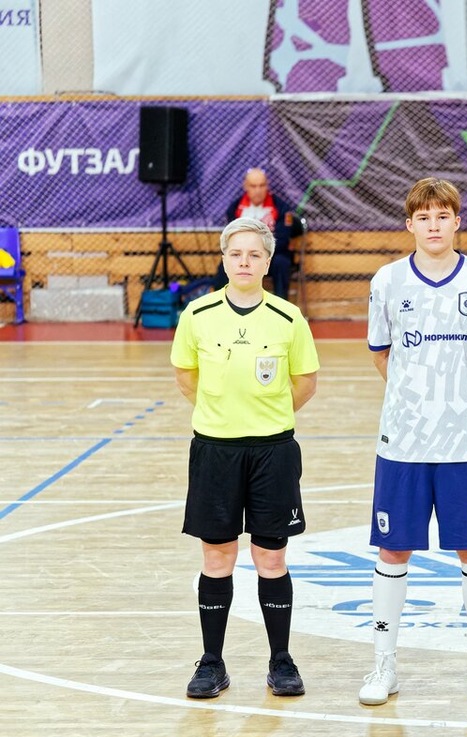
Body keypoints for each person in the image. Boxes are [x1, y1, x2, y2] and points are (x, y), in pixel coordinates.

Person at [360, 177, 467, 706]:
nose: (433, 226)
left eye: (442, 216)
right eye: (423, 218)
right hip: (403, 442)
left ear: (457, 221)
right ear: (410, 224)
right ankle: (384, 665)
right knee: (393, 548)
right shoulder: (387, 281)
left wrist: (462, 399)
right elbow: (381, 353)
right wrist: (415, 399)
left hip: (466, 443)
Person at [171, 217, 320, 699]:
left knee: (271, 557)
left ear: (267, 262)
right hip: (215, 450)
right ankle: (212, 662)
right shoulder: (197, 314)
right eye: (236, 254)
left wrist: (265, 415)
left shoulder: (288, 318)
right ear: (223, 259)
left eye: (255, 254)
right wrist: (224, 415)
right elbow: (185, 375)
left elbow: (305, 382)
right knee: (217, 556)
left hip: (273, 451)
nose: (244, 262)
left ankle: (281, 661)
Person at [220, 168, 300, 300]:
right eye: (253, 186)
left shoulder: (281, 207)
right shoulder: (235, 208)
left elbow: (282, 239)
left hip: (272, 254)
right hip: (243, 253)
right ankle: (225, 303)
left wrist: (259, 252)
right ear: (245, 186)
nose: (258, 190)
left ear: (267, 186)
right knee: (226, 262)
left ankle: (280, 304)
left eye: (262, 185)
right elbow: (230, 237)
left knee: (281, 263)